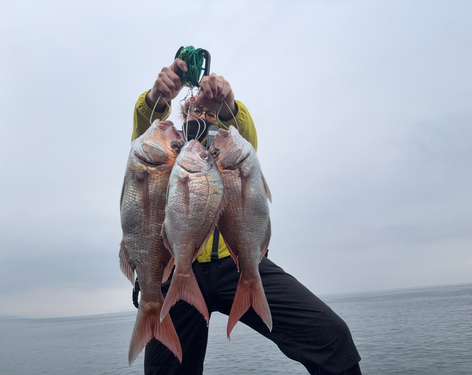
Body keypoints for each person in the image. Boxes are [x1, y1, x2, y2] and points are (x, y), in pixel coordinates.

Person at [131, 57, 362, 375]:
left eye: (210, 112)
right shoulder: (167, 152)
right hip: (178, 269)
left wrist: (227, 106)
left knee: (331, 337)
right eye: (196, 109)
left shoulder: (234, 149)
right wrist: (155, 98)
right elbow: (143, 142)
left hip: (238, 263)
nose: (203, 112)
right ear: (182, 117)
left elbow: (245, 135)